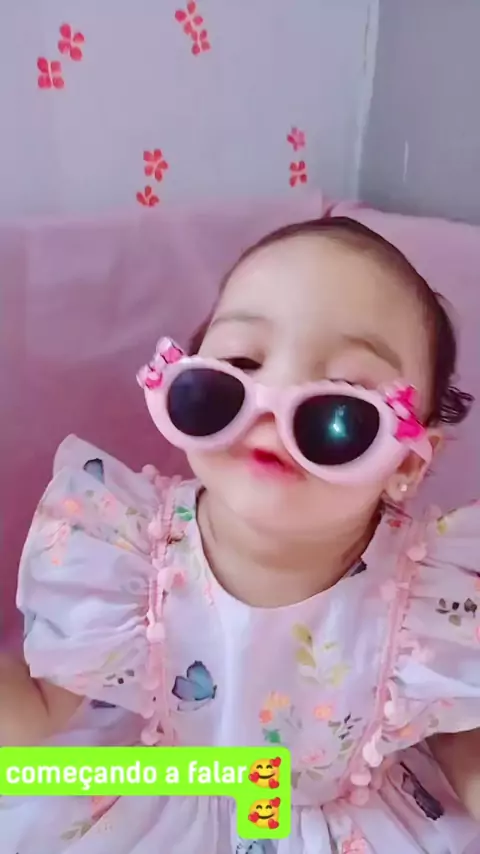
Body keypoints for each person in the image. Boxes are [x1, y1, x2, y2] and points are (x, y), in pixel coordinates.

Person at [1, 216, 480, 853]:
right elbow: (36, 712)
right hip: (156, 791)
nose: (272, 405)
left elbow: (456, 724)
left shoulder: (427, 595)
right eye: (240, 366)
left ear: (409, 465)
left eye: (342, 406)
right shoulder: (127, 553)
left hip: (341, 822)